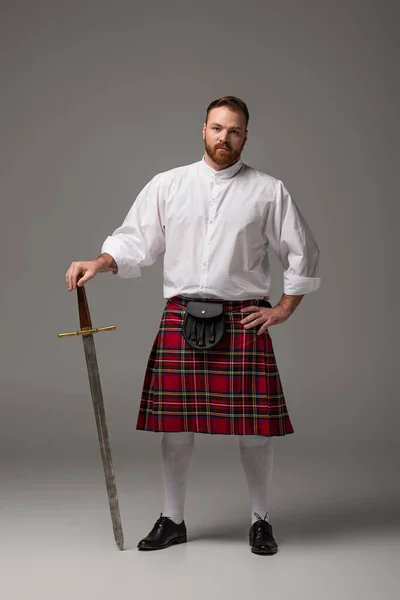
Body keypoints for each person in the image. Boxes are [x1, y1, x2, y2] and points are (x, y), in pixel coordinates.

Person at [65, 96, 321, 555]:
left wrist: (282, 309)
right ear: (203, 129)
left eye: (235, 131)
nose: (225, 138)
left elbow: (302, 252)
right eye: (218, 128)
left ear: (246, 136)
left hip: (244, 317)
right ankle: (173, 519)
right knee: (176, 426)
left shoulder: (267, 190)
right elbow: (135, 240)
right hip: (181, 316)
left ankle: (260, 521)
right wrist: (99, 262)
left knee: (255, 429)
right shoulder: (169, 185)